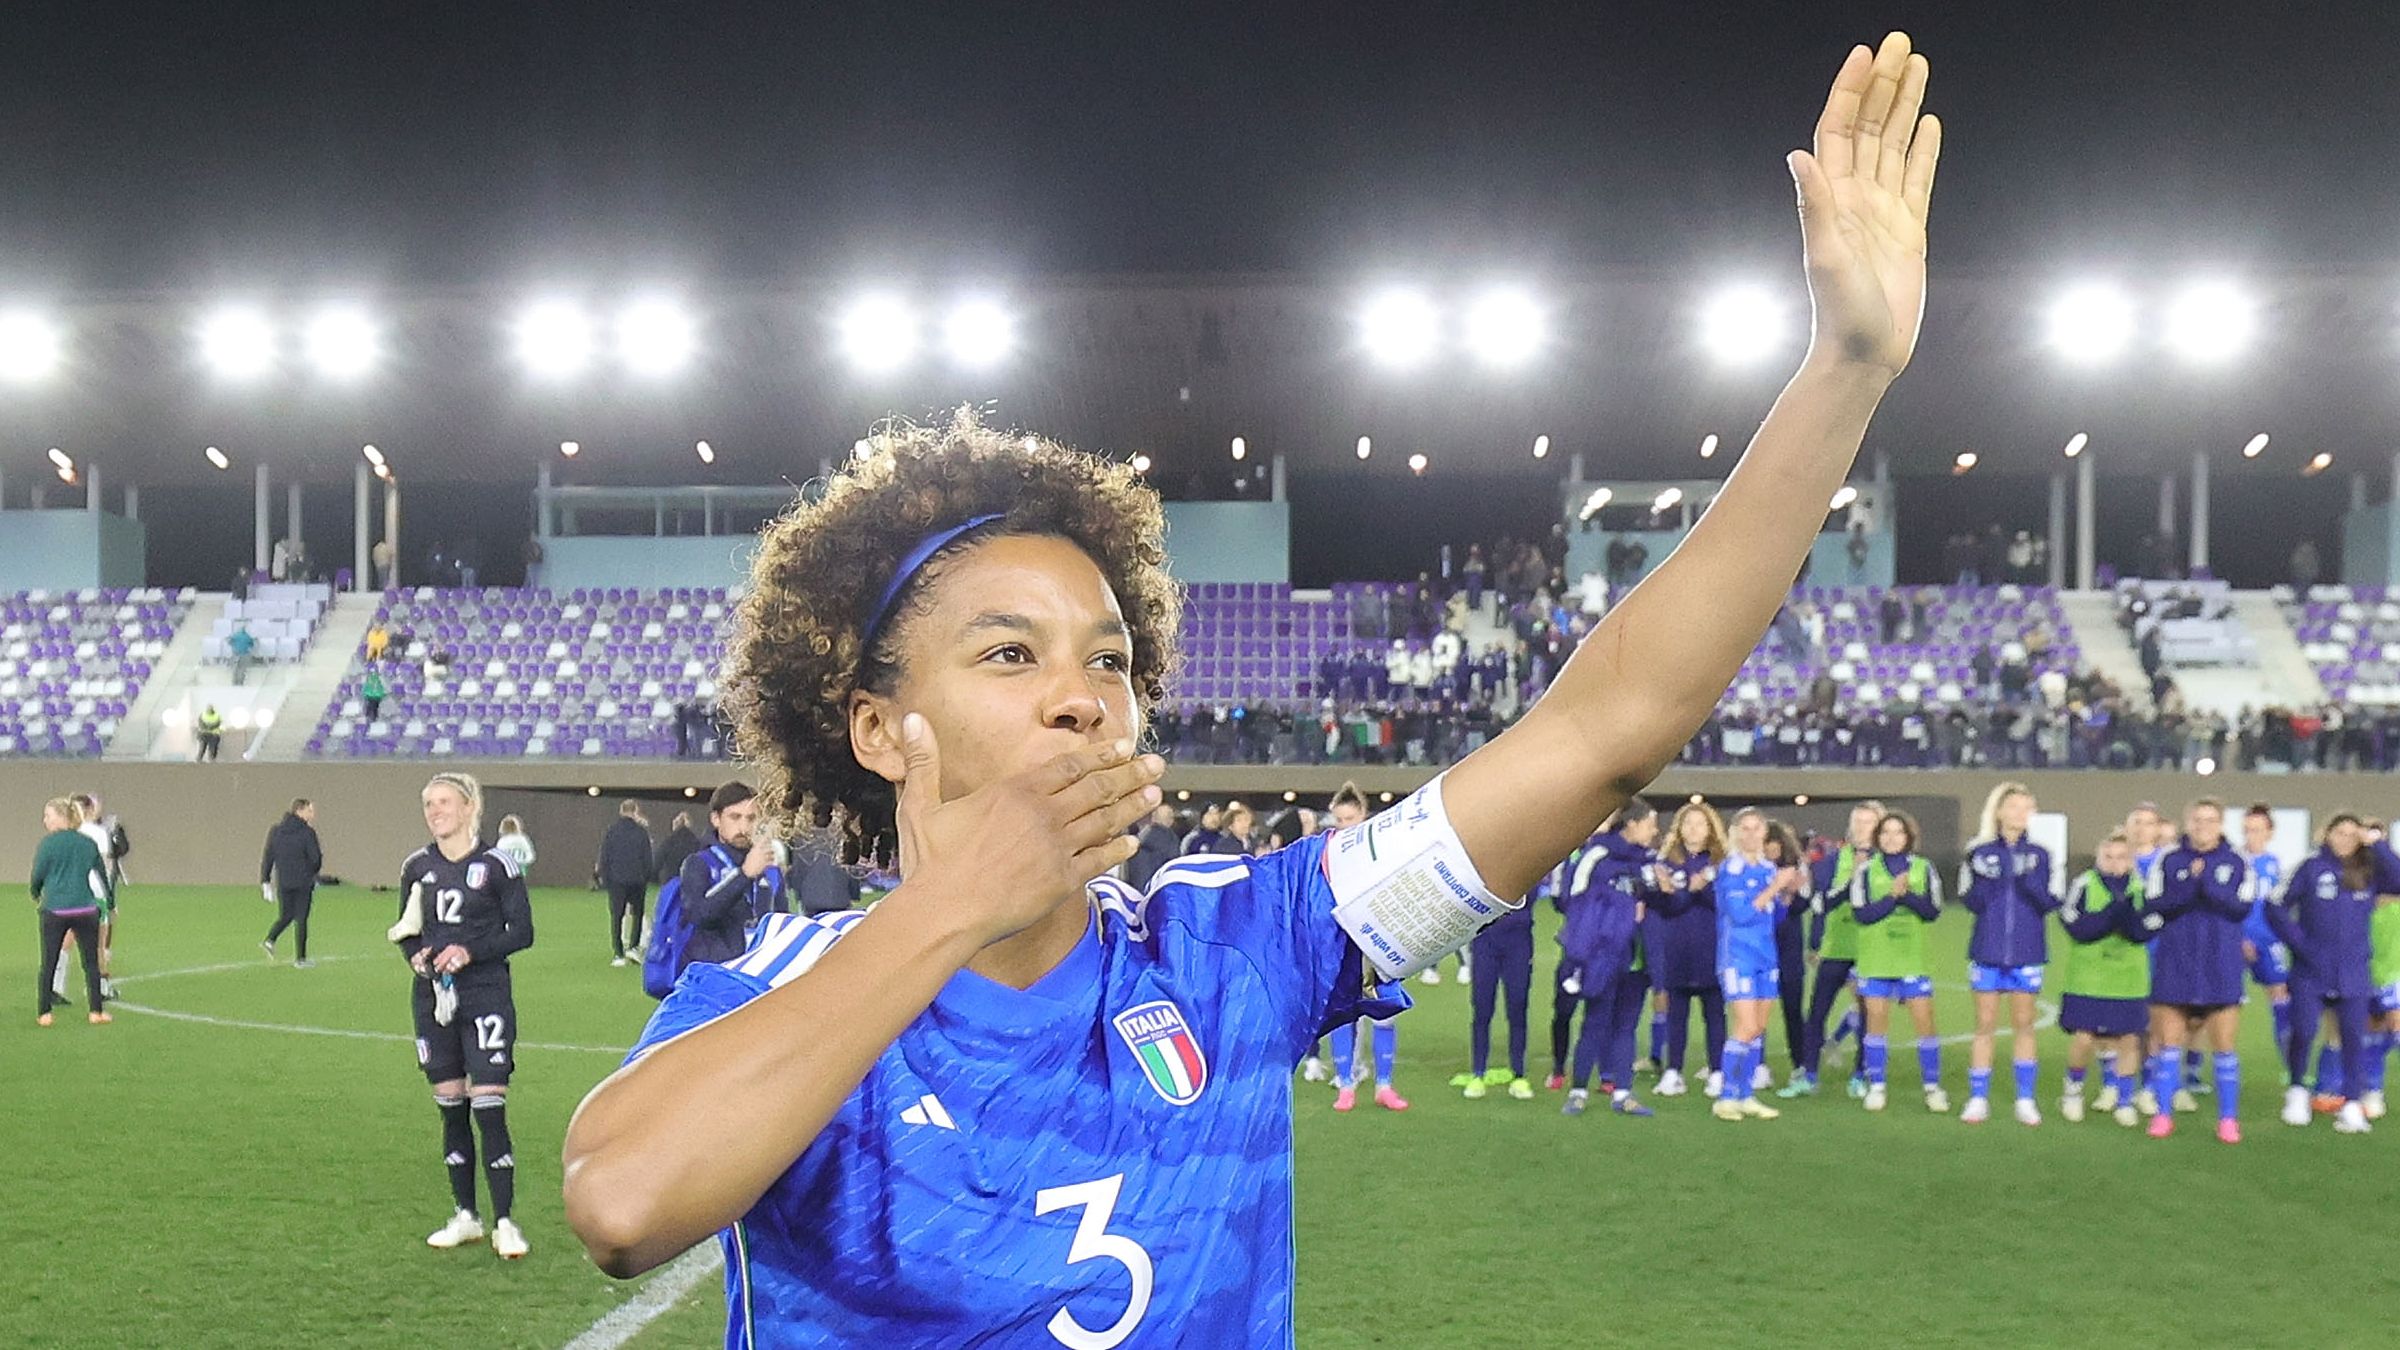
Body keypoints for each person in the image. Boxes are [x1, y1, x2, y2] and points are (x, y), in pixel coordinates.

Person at [561, 34, 1941, 1340]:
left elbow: (1601, 733)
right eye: (1009, 653)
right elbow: (624, 1201)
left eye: (1110, 657)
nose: (1082, 693)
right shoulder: (785, 988)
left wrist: (1846, 369)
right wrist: (955, 904)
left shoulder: (1230, 951)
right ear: (876, 727)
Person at [388, 772, 535, 1259]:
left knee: (488, 1105)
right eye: (429, 803)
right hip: (435, 998)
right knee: (450, 1105)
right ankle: (465, 1216)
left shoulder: (498, 866)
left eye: (444, 802)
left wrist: (468, 951)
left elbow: (522, 932)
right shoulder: (416, 866)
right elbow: (407, 928)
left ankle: (506, 1222)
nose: (434, 811)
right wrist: (415, 955)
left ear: (470, 807)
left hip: (486, 994)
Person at [2266, 814, 2396, 1135]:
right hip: (2311, 970)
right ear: (2328, 834)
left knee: (2353, 1037)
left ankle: (2351, 1102)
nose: (2346, 840)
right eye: (2340, 833)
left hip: (2353, 971)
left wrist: (2377, 844)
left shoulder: (2368, 871)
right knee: (2304, 1030)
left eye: (2353, 835)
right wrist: (2300, 945)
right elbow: (2275, 906)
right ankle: (2297, 1090)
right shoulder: (2310, 867)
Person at [2143, 798, 2248, 1143]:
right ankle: (2162, 1114)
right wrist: (2191, 884)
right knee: (2169, 1044)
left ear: (2220, 824)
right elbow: (2157, 903)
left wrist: (2208, 886)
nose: (2203, 826)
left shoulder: (2236, 861)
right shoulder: (2170, 859)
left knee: (2224, 1047)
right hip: (2177, 962)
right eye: (2198, 819)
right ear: (2188, 823)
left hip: (2221, 965)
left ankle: (2228, 1119)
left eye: (2210, 820)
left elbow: (2239, 908)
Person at [1958, 782, 2057, 1126]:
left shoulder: (2042, 854)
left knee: (2024, 1026)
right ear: (1999, 811)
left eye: (2026, 807)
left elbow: (2050, 903)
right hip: (1987, 949)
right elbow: (1969, 900)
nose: (2019, 813)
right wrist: (1991, 880)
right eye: (2013, 806)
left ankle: (2025, 1099)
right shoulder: (1978, 851)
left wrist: (2029, 882)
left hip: (2027, 951)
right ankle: (1977, 1098)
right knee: (1984, 1025)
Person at [1558, 801, 1660, 1117]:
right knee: (1595, 1021)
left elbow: (1659, 903)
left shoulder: (1649, 862)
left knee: (1627, 1025)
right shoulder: (1598, 855)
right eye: (1650, 824)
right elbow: (1569, 899)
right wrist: (1617, 912)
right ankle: (1577, 1092)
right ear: (1631, 824)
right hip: (1603, 952)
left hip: (1637, 956)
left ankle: (1623, 1093)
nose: (1654, 831)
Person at [1849, 809, 1950, 1114]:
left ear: (1908, 837)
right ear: (1878, 837)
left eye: (1898, 832)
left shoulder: (1924, 868)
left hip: (1912, 958)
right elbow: (1862, 914)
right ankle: (1877, 1086)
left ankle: (1932, 1087)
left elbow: (1932, 911)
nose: (1892, 838)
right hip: (1876, 957)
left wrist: (1907, 896)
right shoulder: (1865, 871)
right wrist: (1893, 896)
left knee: (1925, 1023)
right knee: (1876, 1023)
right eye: (1886, 833)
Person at [2055, 829, 2155, 1127]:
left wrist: (2119, 919)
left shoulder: (2144, 888)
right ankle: (2072, 1092)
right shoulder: (2083, 884)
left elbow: (2143, 932)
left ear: (2131, 859)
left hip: (2129, 979)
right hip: (2088, 977)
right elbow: (2077, 928)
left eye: (2121, 857)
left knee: (2129, 1040)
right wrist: (2116, 913)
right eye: (2108, 857)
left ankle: (2124, 1100)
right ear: (2099, 857)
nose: (2114, 863)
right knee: (2084, 1038)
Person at [1790, 800, 1885, 1099]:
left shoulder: (1887, 862)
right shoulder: (1832, 861)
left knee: (1869, 1014)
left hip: (1870, 949)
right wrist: (1814, 943)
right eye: (1857, 822)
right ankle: (1809, 1074)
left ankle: (1860, 1075)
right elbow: (1819, 906)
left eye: (1868, 823)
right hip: (1834, 948)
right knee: (1817, 1013)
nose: (1861, 828)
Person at [1709, 808, 1794, 1122]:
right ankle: (1726, 1095)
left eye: (1756, 829)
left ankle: (1746, 1094)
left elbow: (1773, 917)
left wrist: (1786, 894)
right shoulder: (1731, 869)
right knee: (1744, 1026)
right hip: (1737, 957)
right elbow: (1741, 914)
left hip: (1765, 955)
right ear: (1735, 834)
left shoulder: (1769, 868)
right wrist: (1774, 888)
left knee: (1758, 1028)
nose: (1750, 834)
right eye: (1744, 829)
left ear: (1764, 834)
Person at [1649, 801, 1728, 1098]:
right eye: (1688, 824)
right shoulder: (1667, 862)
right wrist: (1684, 891)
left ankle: (1718, 1071)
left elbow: (1724, 905)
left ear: (1710, 829)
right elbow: (1666, 906)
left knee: (1714, 1013)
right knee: (1676, 1013)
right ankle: (1673, 1071)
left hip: (1712, 947)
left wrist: (1701, 888)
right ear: (1678, 829)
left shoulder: (1722, 863)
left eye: (1700, 824)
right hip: (1677, 948)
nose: (1693, 829)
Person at [672, 782, 788, 978]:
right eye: (735, 817)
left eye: (751, 818)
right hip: (714, 978)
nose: (743, 826)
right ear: (716, 819)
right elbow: (699, 915)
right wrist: (744, 875)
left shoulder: (769, 869)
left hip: (759, 976)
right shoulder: (699, 864)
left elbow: (784, 924)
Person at [1300, 784, 1372, 1084]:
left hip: (1363, 933)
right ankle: (1330, 1062)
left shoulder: (1374, 847)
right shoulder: (1328, 848)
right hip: (1330, 933)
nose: (1344, 825)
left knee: (1360, 1003)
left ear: (1363, 816)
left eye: (1350, 819)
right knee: (1324, 999)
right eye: (1340, 819)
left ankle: (1352, 1067)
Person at [32, 797, 111, 1026]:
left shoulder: (48, 844)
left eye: (48, 815)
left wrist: (36, 892)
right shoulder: (87, 844)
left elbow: (38, 874)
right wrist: (109, 900)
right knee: (91, 962)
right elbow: (101, 873)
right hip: (86, 908)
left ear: (60, 818)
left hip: (55, 909)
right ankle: (96, 1011)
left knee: (49, 961)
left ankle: (45, 1012)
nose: (45, 820)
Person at [2236, 803, 2291, 1063]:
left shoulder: (2275, 864)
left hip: (2269, 940)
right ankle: (2191, 1072)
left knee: (2281, 999)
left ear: (2270, 832)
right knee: (2216, 1007)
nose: (2251, 835)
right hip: (2234, 941)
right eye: (2247, 830)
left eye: (2257, 830)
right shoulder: (2234, 862)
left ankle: (2292, 1070)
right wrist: (2239, 936)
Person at [1762, 819, 1812, 1092]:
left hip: (1789, 947)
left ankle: (1800, 1064)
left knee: (1792, 1009)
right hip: (1760, 947)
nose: (1771, 852)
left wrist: (1791, 895)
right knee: (1756, 1008)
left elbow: (1803, 904)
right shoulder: (1754, 868)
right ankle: (1757, 1065)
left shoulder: (1796, 867)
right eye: (1766, 847)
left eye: (1774, 847)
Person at [260, 799, 324, 967]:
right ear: (300, 811)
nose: (312, 815)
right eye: (310, 811)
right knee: (301, 918)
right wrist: (313, 874)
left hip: (284, 881)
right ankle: (301, 959)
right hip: (303, 882)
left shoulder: (276, 831)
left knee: (287, 914)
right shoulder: (307, 833)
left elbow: (268, 856)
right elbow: (316, 858)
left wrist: (265, 880)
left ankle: (270, 940)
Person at [597, 800, 655, 967]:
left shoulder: (611, 831)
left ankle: (618, 953)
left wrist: (605, 878)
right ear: (635, 811)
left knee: (617, 916)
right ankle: (634, 948)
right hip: (637, 880)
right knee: (637, 914)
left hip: (616, 880)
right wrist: (646, 877)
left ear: (621, 811)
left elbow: (605, 856)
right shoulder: (641, 832)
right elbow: (647, 857)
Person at [1125, 803, 1181, 890]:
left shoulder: (1141, 836)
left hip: (1135, 887)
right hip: (1157, 887)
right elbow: (1173, 864)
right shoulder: (1171, 838)